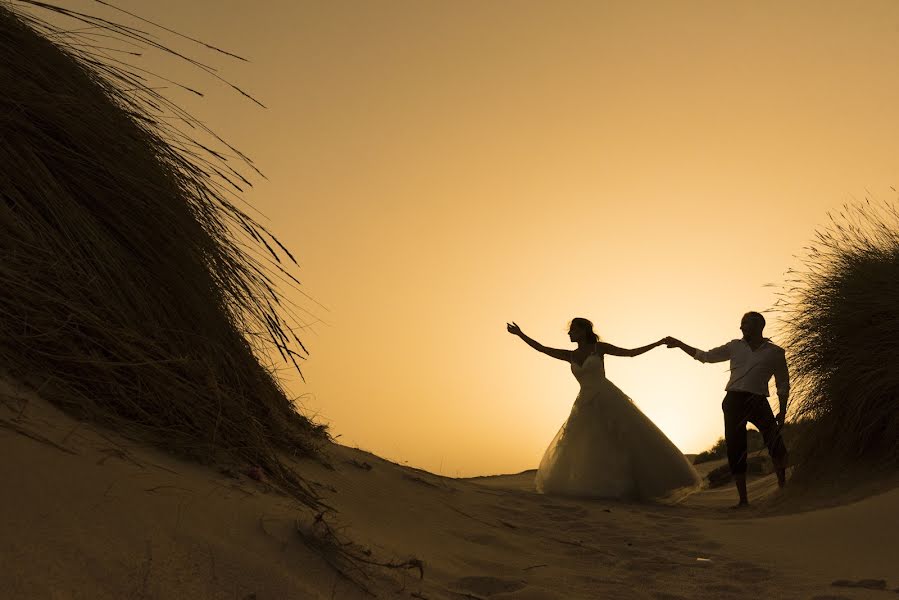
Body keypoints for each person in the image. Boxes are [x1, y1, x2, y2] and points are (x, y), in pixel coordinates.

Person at [507, 317, 700, 500]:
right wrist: (520, 334)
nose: (569, 333)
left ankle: (642, 485)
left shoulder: (599, 349)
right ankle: (601, 486)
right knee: (589, 444)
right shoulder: (570, 355)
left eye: (573, 329)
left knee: (624, 440)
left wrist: (656, 343)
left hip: (608, 397)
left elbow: (630, 352)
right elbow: (542, 349)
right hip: (584, 402)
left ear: (583, 330)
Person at [664, 311, 789, 508]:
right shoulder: (734, 346)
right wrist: (680, 345)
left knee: (774, 440)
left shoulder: (775, 352)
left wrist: (782, 410)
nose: (741, 327)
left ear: (758, 325)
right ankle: (743, 500)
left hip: (758, 400)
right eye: (741, 324)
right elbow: (705, 356)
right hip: (734, 400)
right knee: (735, 447)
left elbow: (782, 384)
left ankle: (784, 488)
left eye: (745, 324)